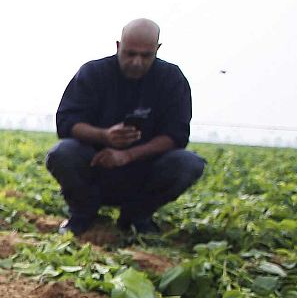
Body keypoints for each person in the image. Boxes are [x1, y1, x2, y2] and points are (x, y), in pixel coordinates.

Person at [46, 18, 207, 236]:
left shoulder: (171, 79)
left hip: (143, 170)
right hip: (95, 166)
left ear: (157, 50)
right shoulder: (93, 73)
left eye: (146, 55)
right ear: (118, 46)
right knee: (62, 153)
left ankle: (136, 217)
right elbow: (66, 123)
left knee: (189, 163)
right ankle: (83, 215)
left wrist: (128, 155)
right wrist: (104, 136)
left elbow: (176, 135)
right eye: (130, 54)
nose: (137, 62)